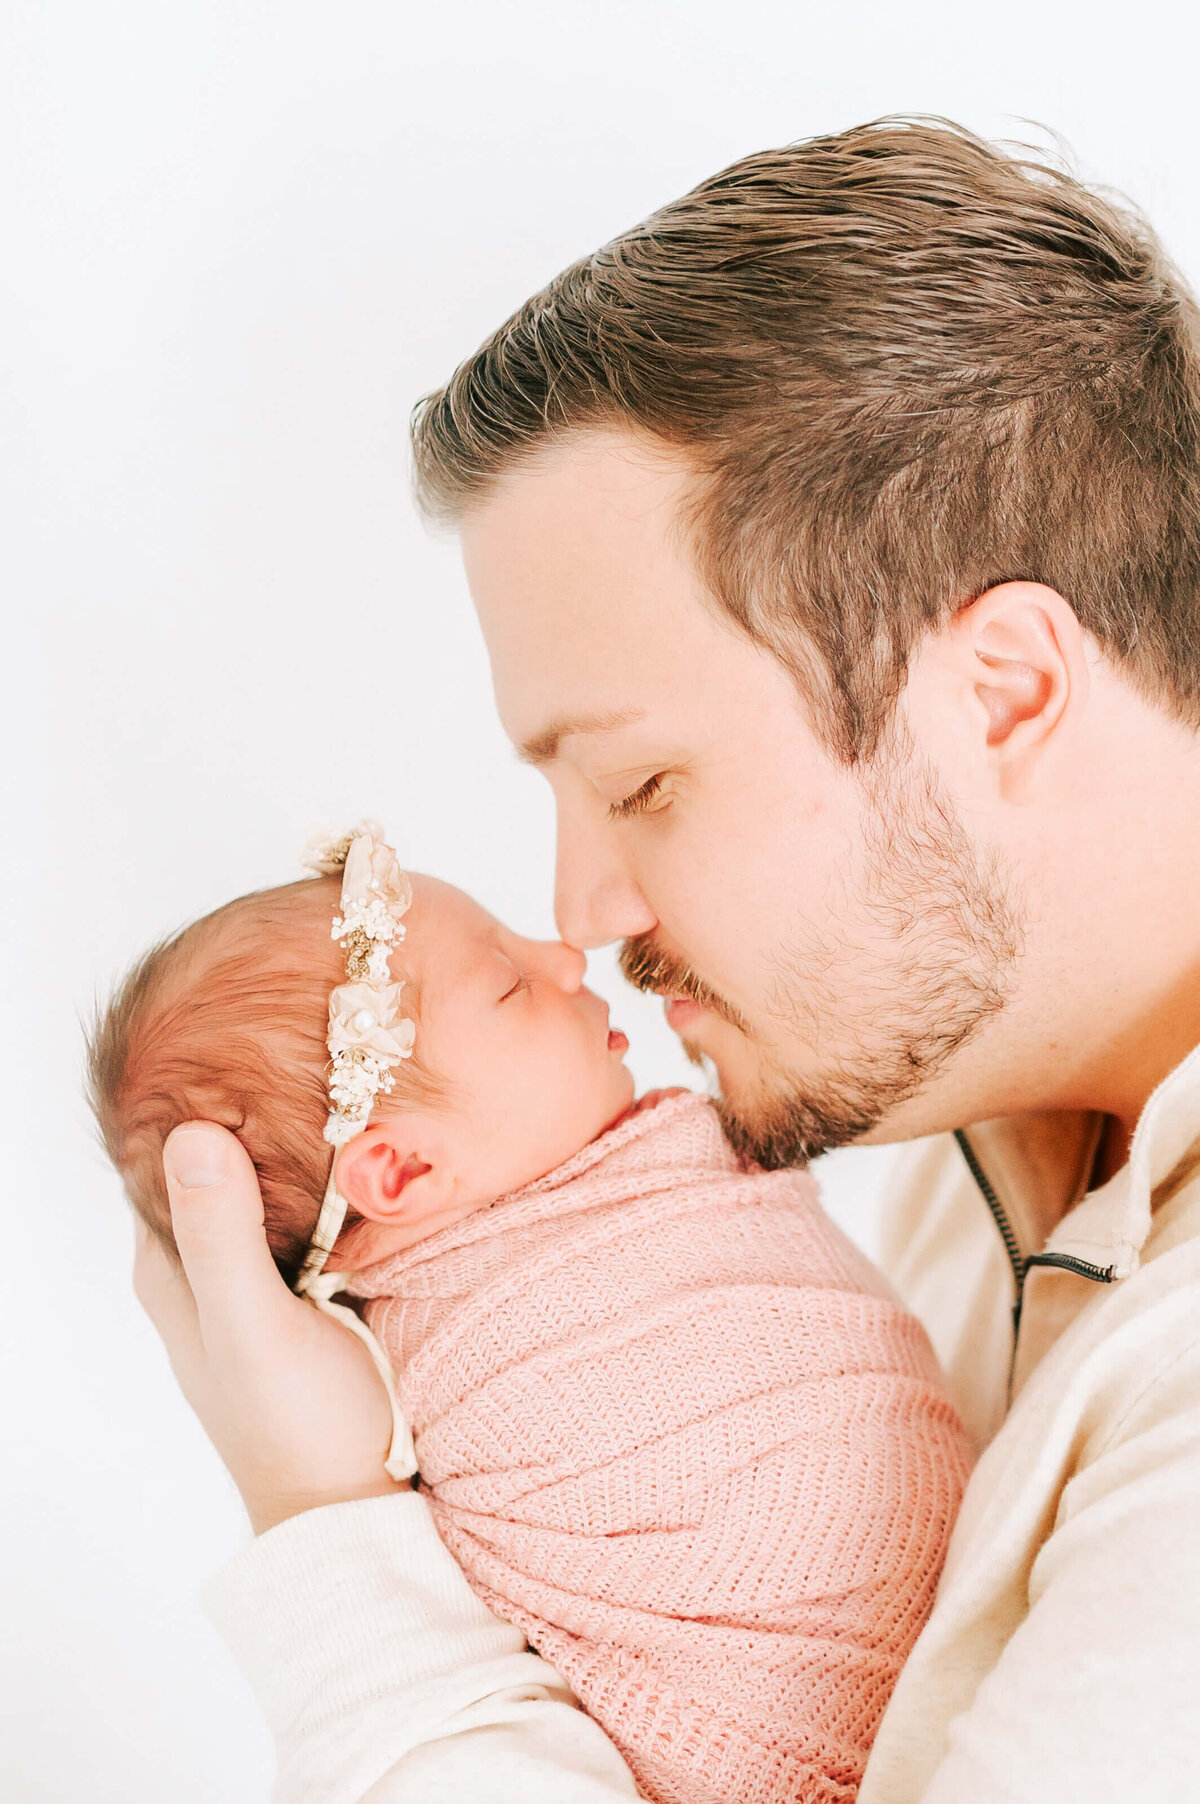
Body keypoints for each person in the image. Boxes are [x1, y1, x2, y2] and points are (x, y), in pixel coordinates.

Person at [133, 117, 1200, 1801]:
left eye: (641, 783)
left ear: (1001, 689)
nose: (583, 912)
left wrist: (332, 1542)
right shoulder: (965, 1137)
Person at [90, 825, 969, 1803]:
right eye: (509, 983)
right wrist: (315, 1502)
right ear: (404, 1168)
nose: (564, 955)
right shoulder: (468, 1359)